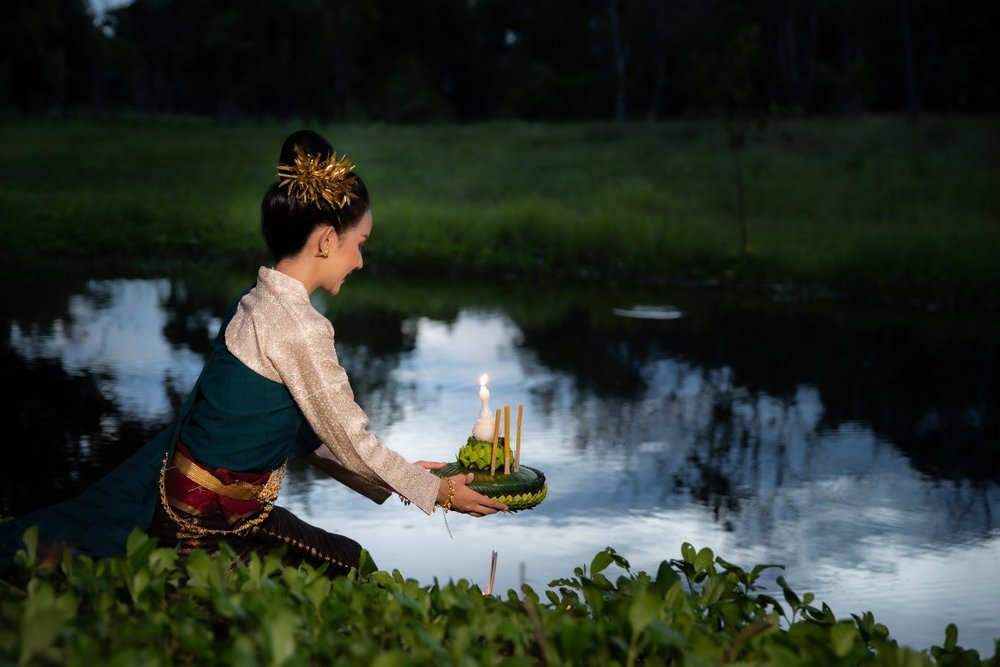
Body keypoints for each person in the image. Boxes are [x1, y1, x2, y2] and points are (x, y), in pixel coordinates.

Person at [0, 129, 507, 576]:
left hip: (197, 510)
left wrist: (411, 477)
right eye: (360, 243)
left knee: (343, 557)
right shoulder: (301, 328)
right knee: (351, 568)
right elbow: (352, 440)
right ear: (327, 241)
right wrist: (436, 492)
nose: (361, 260)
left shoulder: (257, 301)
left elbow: (312, 437)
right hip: (208, 528)